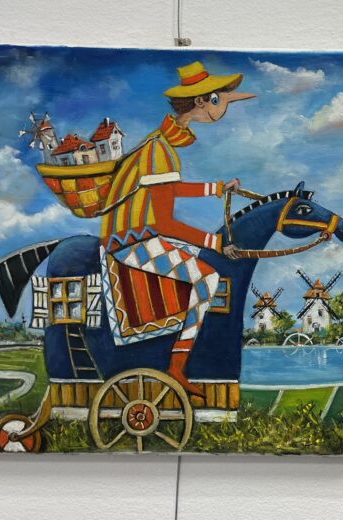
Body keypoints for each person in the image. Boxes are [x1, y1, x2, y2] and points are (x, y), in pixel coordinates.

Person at [99, 61, 256, 396]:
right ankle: (177, 365)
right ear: (201, 101)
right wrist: (216, 243)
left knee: (197, 258)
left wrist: (217, 188)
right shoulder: (160, 150)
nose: (222, 109)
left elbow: (169, 189)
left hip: (138, 234)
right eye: (219, 100)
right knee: (208, 277)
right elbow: (164, 222)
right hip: (133, 240)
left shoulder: (160, 143)